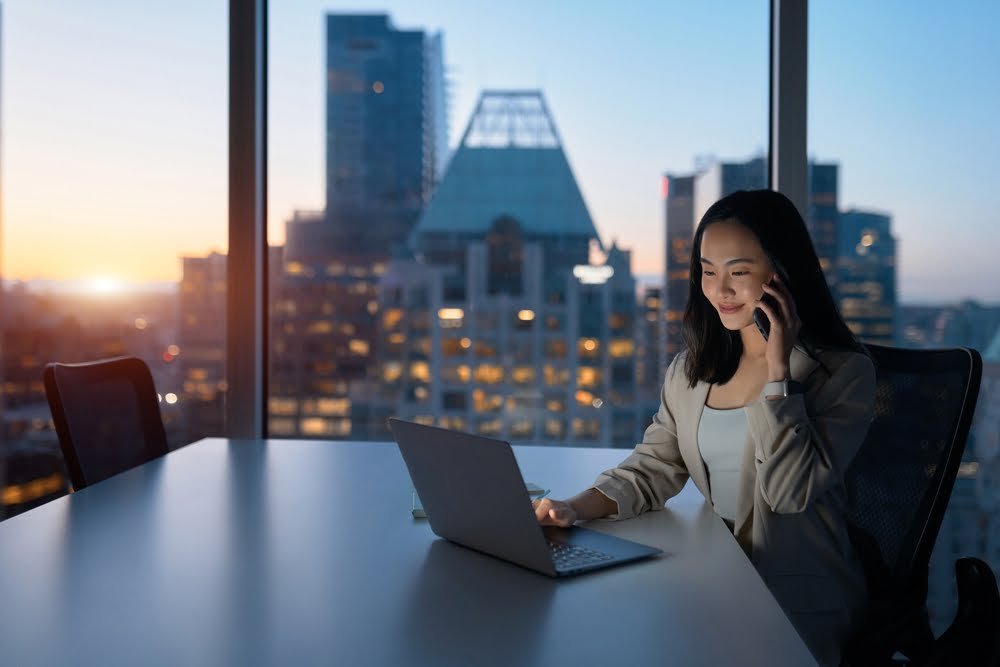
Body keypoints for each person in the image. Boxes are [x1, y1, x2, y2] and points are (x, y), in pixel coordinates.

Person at [534, 189, 875, 667]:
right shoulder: (692, 370)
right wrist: (573, 508)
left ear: (783, 274)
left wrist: (778, 373)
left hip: (795, 594)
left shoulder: (842, 374)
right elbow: (652, 467)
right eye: (707, 271)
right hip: (712, 571)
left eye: (738, 272)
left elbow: (787, 493)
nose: (720, 290)